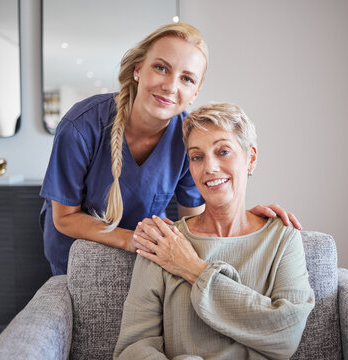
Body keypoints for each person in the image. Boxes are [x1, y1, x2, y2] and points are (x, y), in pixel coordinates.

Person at [39, 23, 301, 276]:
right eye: (161, 68)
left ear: (195, 92)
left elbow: (197, 219)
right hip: (78, 256)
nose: (171, 86)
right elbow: (65, 218)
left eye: (186, 78)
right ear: (138, 69)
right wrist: (131, 240)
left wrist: (246, 220)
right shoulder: (81, 125)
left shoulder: (189, 139)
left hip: (146, 256)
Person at [114, 103, 315, 360]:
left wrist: (194, 269)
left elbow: (286, 335)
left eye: (223, 151)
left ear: (251, 158)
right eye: (197, 157)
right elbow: (132, 348)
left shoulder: (282, 238)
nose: (209, 167)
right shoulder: (163, 242)